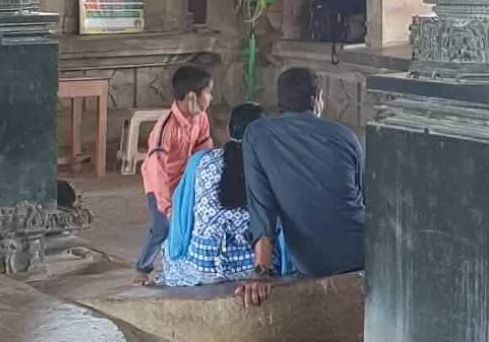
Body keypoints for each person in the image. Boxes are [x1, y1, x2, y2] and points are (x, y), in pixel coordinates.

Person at [237, 66, 365, 307]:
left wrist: (260, 273)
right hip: (362, 251)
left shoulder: (256, 134)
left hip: (312, 262)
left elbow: (262, 207)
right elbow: (366, 197)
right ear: (315, 102)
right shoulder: (343, 135)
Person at [159, 103, 288, 287]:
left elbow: (181, 212)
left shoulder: (200, 161)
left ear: (228, 130)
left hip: (202, 266)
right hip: (258, 266)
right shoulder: (271, 167)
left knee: (168, 246)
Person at [133, 63, 212, 285]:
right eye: (208, 93)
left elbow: (203, 152)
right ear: (191, 97)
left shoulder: (201, 119)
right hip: (160, 187)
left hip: (183, 184)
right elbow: (157, 169)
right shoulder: (165, 128)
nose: (211, 98)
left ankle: (183, 265)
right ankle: (142, 269)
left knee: (191, 223)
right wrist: (166, 207)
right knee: (163, 228)